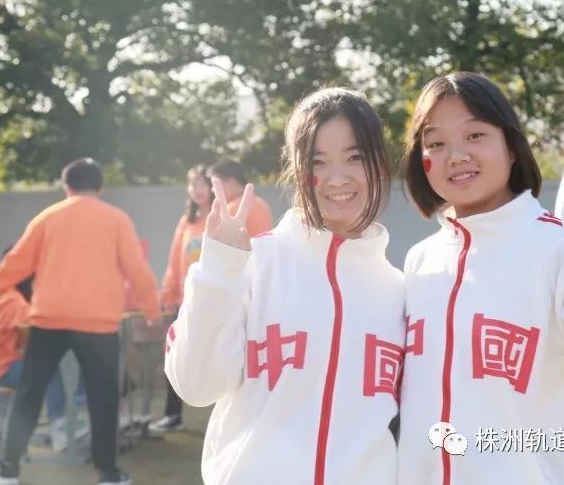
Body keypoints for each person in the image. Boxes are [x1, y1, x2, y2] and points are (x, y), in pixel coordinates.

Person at [396, 71, 564, 485]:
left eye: (475, 135)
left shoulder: (560, 246)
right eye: (436, 143)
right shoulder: (421, 261)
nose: (457, 155)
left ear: (512, 147)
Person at [165, 88, 404, 484]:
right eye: (317, 161)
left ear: (379, 164)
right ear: (295, 168)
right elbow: (196, 385)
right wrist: (217, 270)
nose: (337, 178)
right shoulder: (249, 265)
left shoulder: (399, 291)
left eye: (355, 158)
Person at [0, 158, 160, 485]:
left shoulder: (47, 218)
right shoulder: (116, 219)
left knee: (30, 392)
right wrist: (151, 310)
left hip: (49, 319)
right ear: (100, 187)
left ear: (66, 186)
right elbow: (138, 269)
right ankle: (108, 472)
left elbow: (15, 263)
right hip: (98, 323)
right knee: (103, 396)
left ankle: (8, 467)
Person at [149, 165, 215, 434]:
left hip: (216, 302)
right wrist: (168, 296)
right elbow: (174, 262)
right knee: (176, 357)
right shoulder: (186, 222)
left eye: (203, 184)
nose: (197, 190)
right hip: (186, 303)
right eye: (192, 184)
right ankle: (172, 415)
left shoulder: (223, 217)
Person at [0, 272, 70, 452]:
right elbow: (38, 323)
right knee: (50, 372)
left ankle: (51, 423)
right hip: (0, 368)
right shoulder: (13, 302)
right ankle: (58, 428)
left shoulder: (5, 296)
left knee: (48, 367)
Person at [210, 159, 274, 236]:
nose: (213, 190)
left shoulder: (231, 209)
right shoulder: (261, 203)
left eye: (215, 184)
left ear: (231, 181)